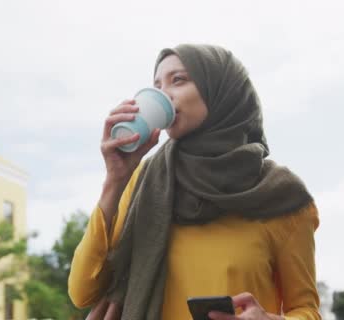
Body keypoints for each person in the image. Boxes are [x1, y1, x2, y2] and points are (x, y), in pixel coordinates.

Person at [68, 44, 320, 320]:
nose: (163, 93)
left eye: (178, 80)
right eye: (156, 85)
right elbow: (82, 292)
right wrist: (115, 181)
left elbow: (307, 310)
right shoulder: (144, 183)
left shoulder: (281, 196)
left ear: (221, 91)